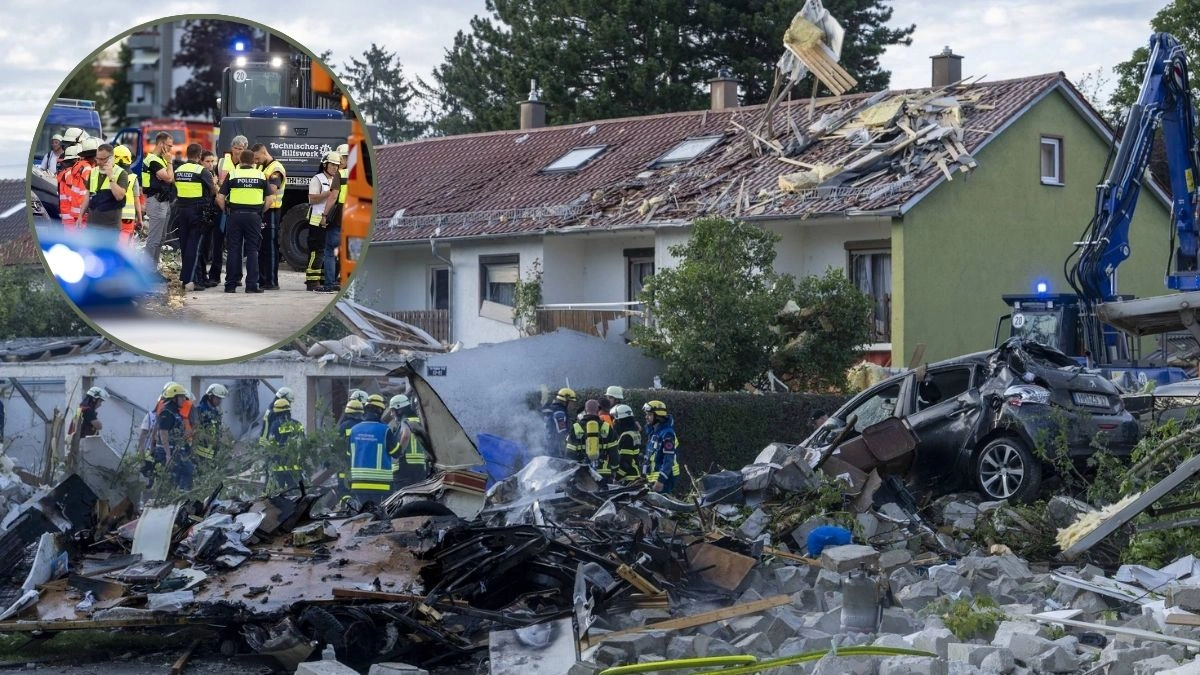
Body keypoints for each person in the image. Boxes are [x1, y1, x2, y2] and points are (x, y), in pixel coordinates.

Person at [216, 149, 266, 294]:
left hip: (235, 216)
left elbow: (220, 197)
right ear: (253, 162)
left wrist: (226, 211)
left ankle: (230, 285)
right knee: (252, 250)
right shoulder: (260, 175)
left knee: (234, 249)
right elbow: (270, 198)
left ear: (241, 161)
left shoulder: (233, 174)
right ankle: (251, 285)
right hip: (254, 216)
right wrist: (261, 211)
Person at [173, 144, 215, 292]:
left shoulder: (178, 170)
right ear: (199, 156)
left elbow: (174, 186)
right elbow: (213, 189)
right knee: (195, 247)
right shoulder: (201, 170)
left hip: (181, 210)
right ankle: (191, 280)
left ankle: (185, 278)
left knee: (184, 245)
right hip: (197, 211)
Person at [252, 144, 286, 290]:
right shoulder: (261, 167)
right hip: (262, 210)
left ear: (264, 153)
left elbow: (272, 188)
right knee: (261, 246)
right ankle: (262, 279)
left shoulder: (276, 168)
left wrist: (257, 183)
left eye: (258, 157)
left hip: (272, 211)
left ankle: (271, 281)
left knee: (270, 247)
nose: (256, 161)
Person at [348, 405, 394, 508]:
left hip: (358, 484)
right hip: (382, 485)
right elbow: (395, 452)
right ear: (380, 411)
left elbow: (348, 454)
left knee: (364, 515)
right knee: (380, 515)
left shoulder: (354, 430)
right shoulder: (385, 430)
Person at [142, 132, 176, 270]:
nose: (170, 149)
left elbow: (170, 177)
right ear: (161, 144)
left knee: (161, 239)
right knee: (154, 240)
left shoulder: (160, 160)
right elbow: (169, 177)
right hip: (156, 202)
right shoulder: (153, 160)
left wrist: (167, 163)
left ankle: (153, 270)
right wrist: (169, 162)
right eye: (169, 146)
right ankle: (147, 272)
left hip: (163, 202)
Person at [305, 151, 339, 290]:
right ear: (325, 164)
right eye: (332, 164)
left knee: (327, 251)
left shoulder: (336, 179)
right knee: (316, 250)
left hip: (330, 220)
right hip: (317, 220)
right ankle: (312, 281)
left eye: (337, 165)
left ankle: (325, 280)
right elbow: (312, 199)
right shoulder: (317, 179)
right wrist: (328, 193)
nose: (335, 168)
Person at [387, 394, 433, 488]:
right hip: (421, 467)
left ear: (399, 409)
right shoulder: (421, 422)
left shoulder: (405, 421)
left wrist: (398, 453)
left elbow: (406, 435)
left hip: (404, 466)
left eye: (392, 410)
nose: (391, 414)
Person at [567, 399, 617, 480]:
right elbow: (614, 452)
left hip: (583, 473)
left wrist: (572, 471)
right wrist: (614, 468)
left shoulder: (576, 427)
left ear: (585, 410)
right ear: (598, 410)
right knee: (606, 492)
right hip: (604, 472)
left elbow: (569, 453)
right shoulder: (607, 427)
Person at [155, 383, 192, 489]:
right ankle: (173, 497)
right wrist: (168, 455)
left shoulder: (175, 412)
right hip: (168, 451)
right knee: (178, 474)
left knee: (184, 471)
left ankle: (179, 495)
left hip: (176, 450)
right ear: (174, 398)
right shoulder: (166, 412)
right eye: (182, 397)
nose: (184, 400)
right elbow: (163, 433)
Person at [263, 398, 305, 489]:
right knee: (297, 493)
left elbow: (271, 445)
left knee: (278, 494)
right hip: (295, 466)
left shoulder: (275, 425)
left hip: (279, 466)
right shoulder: (298, 424)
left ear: (277, 412)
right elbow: (303, 443)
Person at [642, 400, 680, 493]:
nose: (646, 417)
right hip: (653, 478)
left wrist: (661, 481)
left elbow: (668, 459)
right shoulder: (653, 432)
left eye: (649, 415)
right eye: (646, 414)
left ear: (658, 416)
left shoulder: (667, 434)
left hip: (664, 479)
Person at [195, 150, 220, 286]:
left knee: (207, 247)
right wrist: (215, 183)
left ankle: (204, 276)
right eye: (208, 161)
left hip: (210, 213)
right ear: (201, 161)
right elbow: (214, 190)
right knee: (201, 246)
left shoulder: (211, 173)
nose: (210, 164)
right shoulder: (203, 174)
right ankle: (200, 277)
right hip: (202, 212)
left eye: (212, 161)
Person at [112, 145, 143, 245]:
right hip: (128, 217)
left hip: (111, 215)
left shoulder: (108, 175)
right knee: (124, 246)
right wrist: (140, 218)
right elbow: (136, 200)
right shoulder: (133, 178)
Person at [193, 383, 228, 464]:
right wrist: (211, 440)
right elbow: (196, 431)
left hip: (212, 452)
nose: (219, 401)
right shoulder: (199, 410)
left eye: (221, 399)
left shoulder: (215, 412)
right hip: (201, 453)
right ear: (210, 396)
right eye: (218, 398)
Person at [56, 143, 85, 230]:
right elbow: (73, 198)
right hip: (73, 221)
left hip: (69, 220)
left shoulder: (65, 174)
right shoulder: (70, 175)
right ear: (76, 159)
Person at [610, 404, 642, 482]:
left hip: (628, 478)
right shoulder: (635, 433)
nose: (613, 423)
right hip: (635, 475)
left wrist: (616, 478)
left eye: (614, 419)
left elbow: (625, 463)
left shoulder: (626, 437)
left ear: (620, 420)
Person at [542, 388, 575, 457]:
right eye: (572, 402)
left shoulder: (552, 409)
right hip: (556, 449)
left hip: (549, 446)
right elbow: (562, 433)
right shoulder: (559, 413)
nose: (573, 406)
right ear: (566, 400)